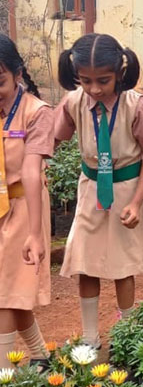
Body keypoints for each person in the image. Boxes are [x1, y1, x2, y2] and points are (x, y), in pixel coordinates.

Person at [55, 33, 143, 346]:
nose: (94, 89)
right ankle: (90, 338)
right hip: (90, 190)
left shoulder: (136, 106)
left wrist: (137, 200)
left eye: (103, 80)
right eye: (85, 81)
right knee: (85, 263)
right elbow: (55, 138)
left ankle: (126, 334)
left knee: (122, 265)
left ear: (120, 72)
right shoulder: (74, 102)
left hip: (126, 190)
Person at [0, 35, 53, 368]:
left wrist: (35, 233)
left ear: (17, 73)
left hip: (23, 208)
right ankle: (41, 356)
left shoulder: (37, 113)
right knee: (14, 293)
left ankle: (3, 371)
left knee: (5, 295)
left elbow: (32, 172)